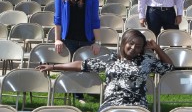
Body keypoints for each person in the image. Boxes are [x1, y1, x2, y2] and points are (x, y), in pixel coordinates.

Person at [36, 29, 174, 111]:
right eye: (131, 44)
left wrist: (156, 48)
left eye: (138, 46)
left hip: (137, 106)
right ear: (124, 43)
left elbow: (168, 67)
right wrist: (53, 67)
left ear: (142, 48)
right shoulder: (110, 59)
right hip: (111, 104)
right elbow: (82, 65)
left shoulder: (146, 61)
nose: (133, 48)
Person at [54, 0, 101, 103]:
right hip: (68, 39)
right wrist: (57, 39)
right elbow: (58, 19)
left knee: (87, 67)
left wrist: (97, 41)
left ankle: (91, 90)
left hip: (86, 38)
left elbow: (95, 20)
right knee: (73, 67)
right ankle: (78, 94)